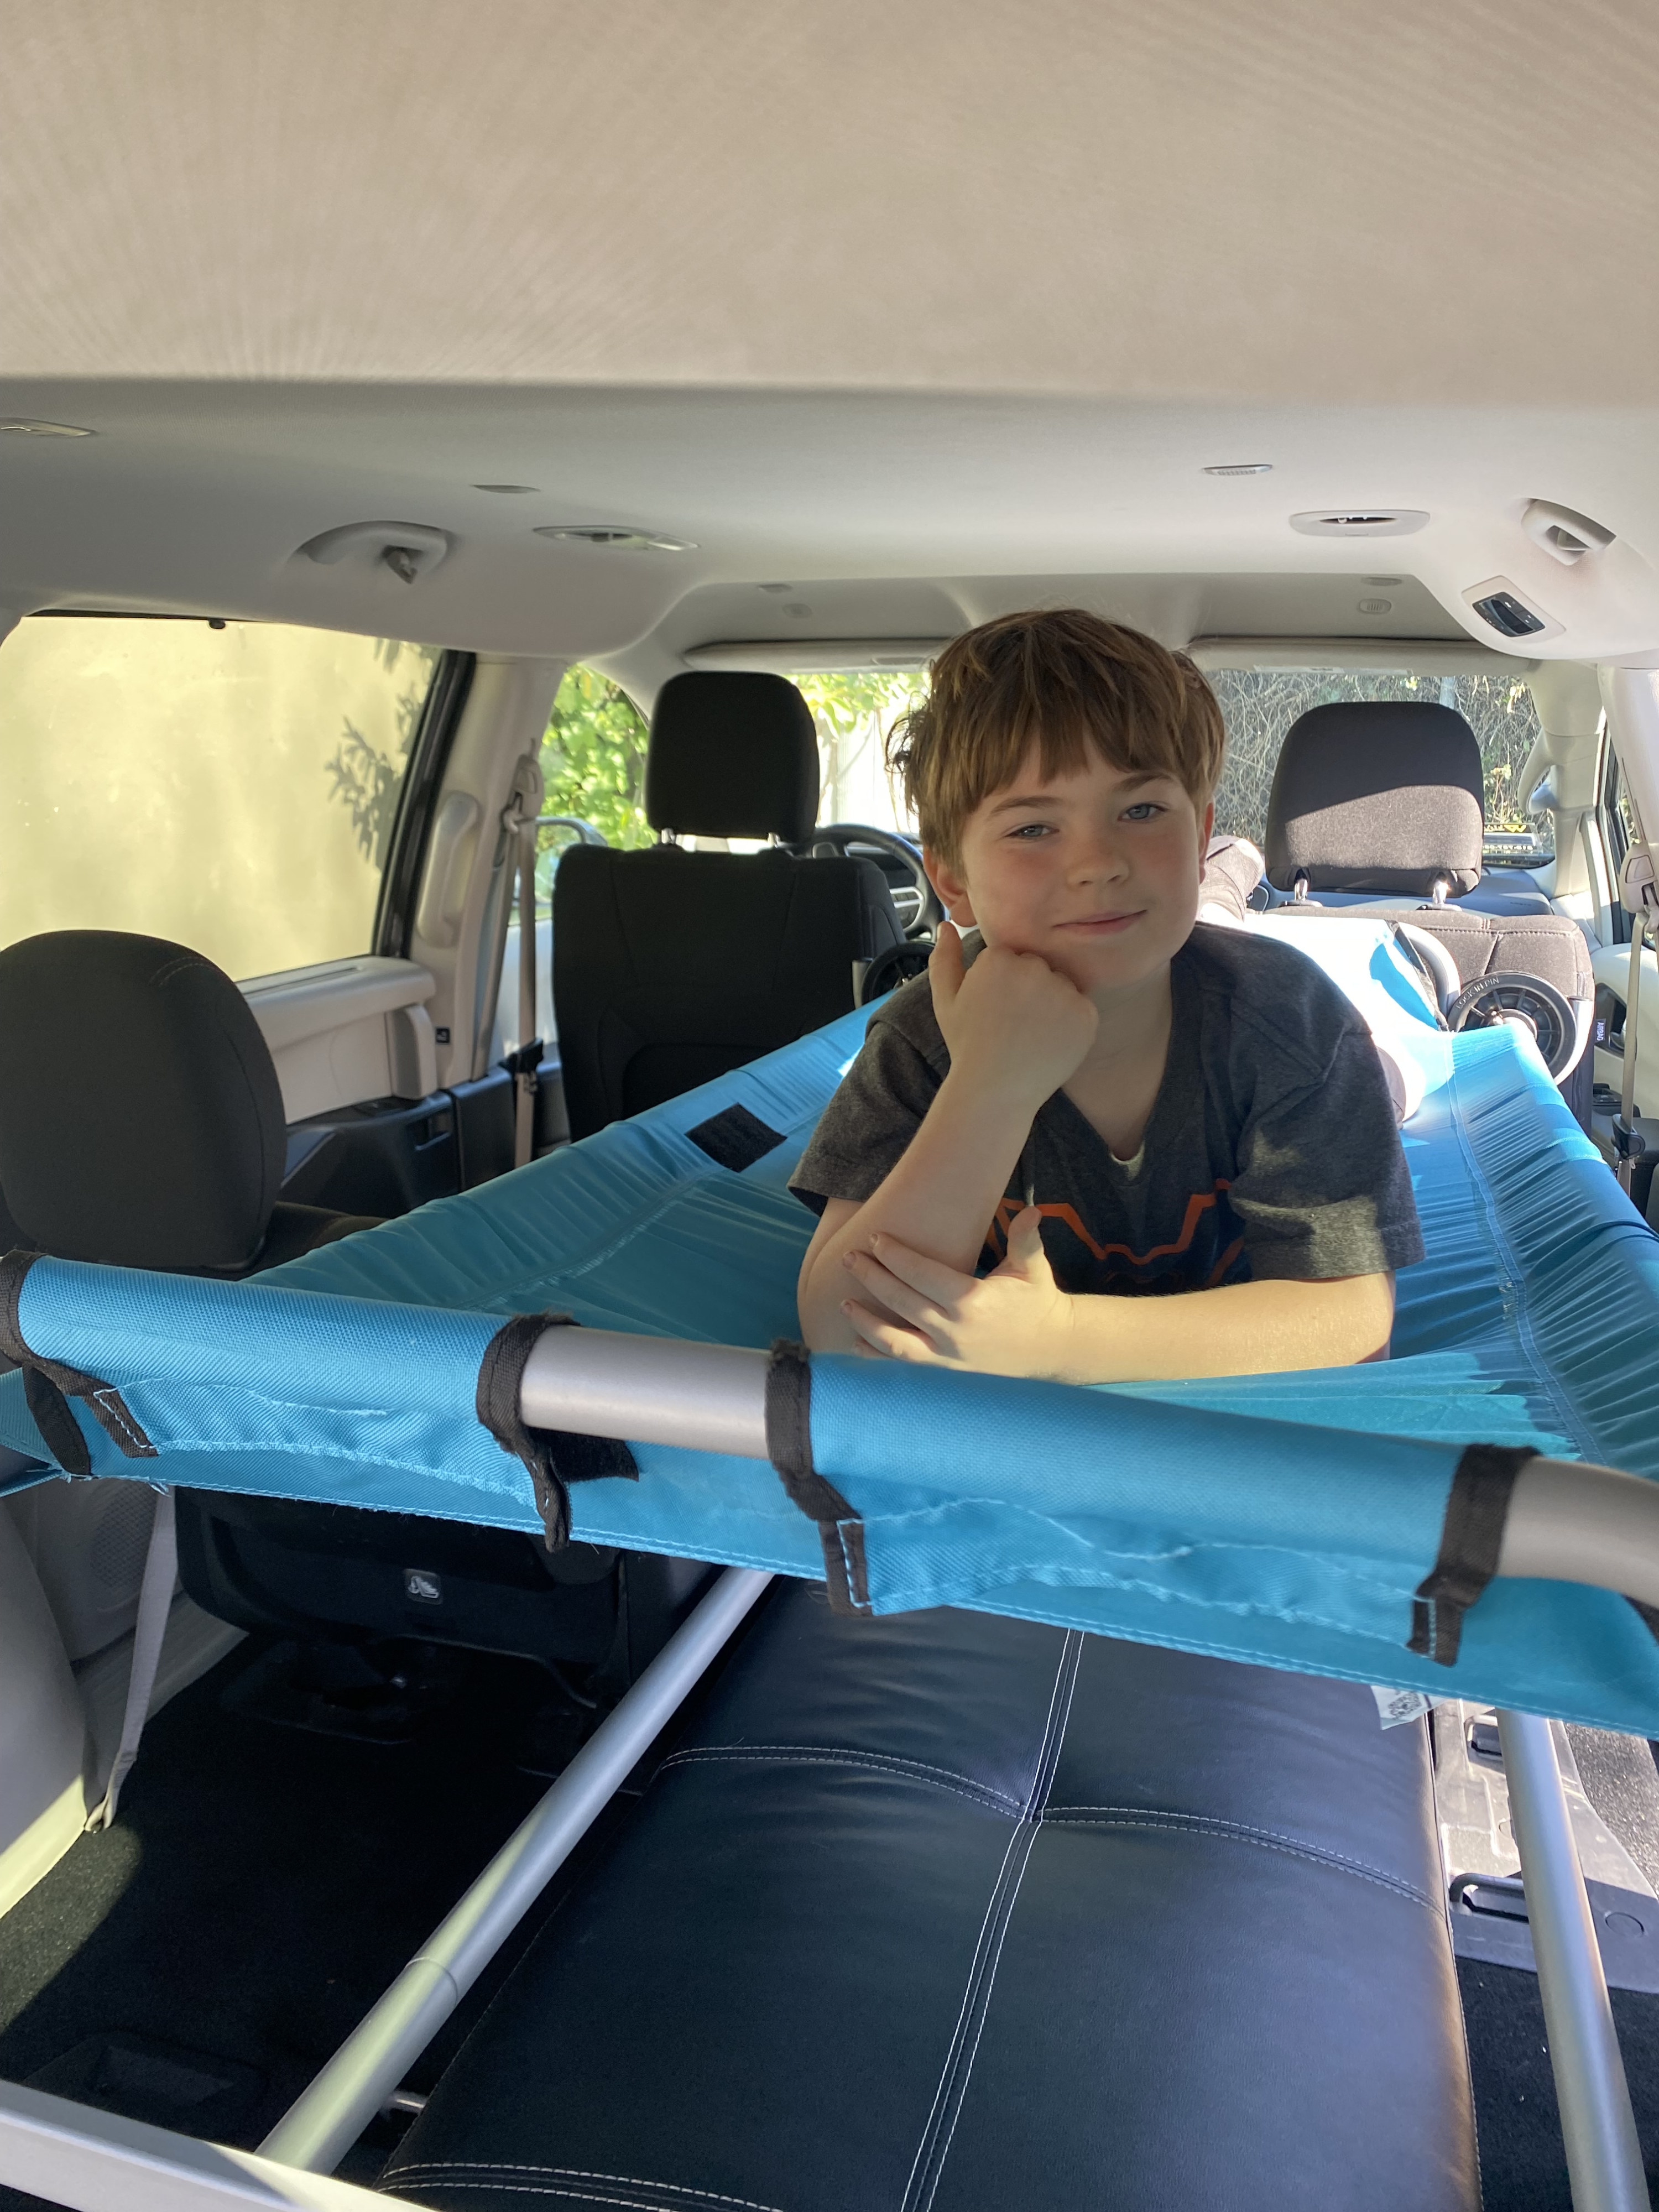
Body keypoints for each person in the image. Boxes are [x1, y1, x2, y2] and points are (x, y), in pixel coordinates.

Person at [791, 609, 1423, 1381]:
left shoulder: (1290, 1023)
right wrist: (990, 1087)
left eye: (1141, 811)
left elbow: (1354, 1323)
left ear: (1200, 841)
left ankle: (1391, 1075)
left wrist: (1063, 1343)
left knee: (1374, 1076)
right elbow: (836, 1328)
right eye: (1031, 829)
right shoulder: (921, 1040)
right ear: (951, 879)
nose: (1097, 863)